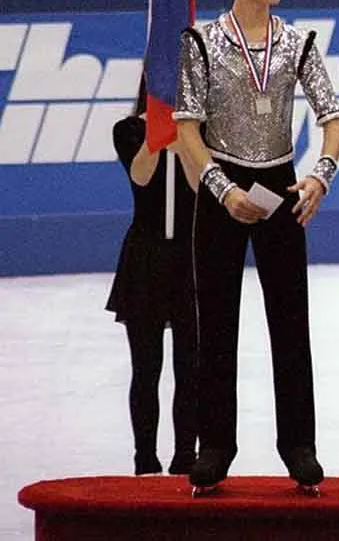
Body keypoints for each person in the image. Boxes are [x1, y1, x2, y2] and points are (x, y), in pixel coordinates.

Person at [173, 0, 339, 492]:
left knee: (290, 322)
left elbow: (332, 119)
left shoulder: (297, 42)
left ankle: (299, 444)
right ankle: (215, 445)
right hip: (221, 185)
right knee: (216, 324)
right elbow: (186, 129)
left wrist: (320, 176)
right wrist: (220, 188)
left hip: (281, 182)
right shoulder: (201, 42)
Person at [108, 80, 199, 476]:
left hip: (191, 258)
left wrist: (188, 142)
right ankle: (144, 457)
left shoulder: (204, 130)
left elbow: (202, 187)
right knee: (146, 367)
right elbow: (140, 177)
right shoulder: (127, 129)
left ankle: (186, 456)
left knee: (190, 366)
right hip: (145, 259)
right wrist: (157, 137)